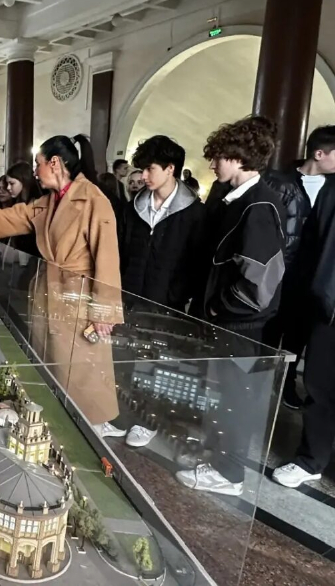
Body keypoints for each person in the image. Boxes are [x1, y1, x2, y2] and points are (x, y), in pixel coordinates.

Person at [0, 135, 123, 434]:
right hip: (47, 294)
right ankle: (57, 426)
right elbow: (8, 218)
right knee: (49, 368)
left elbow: (107, 256)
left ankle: (93, 427)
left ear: (55, 163)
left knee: (82, 371)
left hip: (76, 300)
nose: (35, 170)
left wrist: (104, 312)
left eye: (38, 164)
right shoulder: (49, 202)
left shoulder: (94, 200)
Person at [176, 116, 286, 496]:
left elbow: (259, 284)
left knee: (237, 396)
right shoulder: (236, 200)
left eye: (219, 156)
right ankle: (218, 456)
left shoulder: (259, 206)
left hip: (239, 324)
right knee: (222, 392)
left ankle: (230, 474)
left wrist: (217, 308)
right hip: (227, 321)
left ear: (239, 158)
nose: (213, 163)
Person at [116, 136, 206, 448]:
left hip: (167, 305)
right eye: (141, 169)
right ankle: (119, 416)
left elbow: (196, 263)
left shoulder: (194, 214)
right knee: (125, 358)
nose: (143, 176)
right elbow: (122, 251)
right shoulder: (133, 208)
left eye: (150, 169)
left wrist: (176, 296)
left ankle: (148, 422)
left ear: (170, 169)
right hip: (130, 298)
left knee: (156, 366)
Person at [272, 163, 335, 489]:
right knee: (320, 387)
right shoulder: (331, 189)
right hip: (328, 306)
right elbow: (311, 244)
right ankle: (311, 460)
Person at [263, 125, 335, 409]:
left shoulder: (332, 188)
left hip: (312, 276)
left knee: (298, 336)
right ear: (319, 154)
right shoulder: (280, 182)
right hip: (279, 274)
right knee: (269, 331)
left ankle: (287, 383)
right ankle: (260, 384)